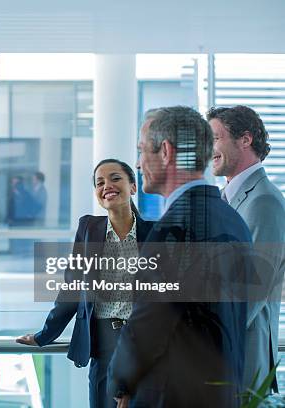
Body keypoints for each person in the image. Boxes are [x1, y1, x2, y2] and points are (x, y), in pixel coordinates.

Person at [108, 106, 250, 407]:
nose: (136, 163)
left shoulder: (173, 230)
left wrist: (119, 384)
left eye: (141, 150)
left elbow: (146, 327)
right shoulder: (233, 220)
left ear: (166, 152)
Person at [16, 159, 153, 408]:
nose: (107, 185)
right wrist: (44, 335)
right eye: (99, 182)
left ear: (133, 187)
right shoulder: (89, 228)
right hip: (103, 342)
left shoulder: (156, 234)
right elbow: (72, 288)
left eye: (115, 178)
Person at [208, 105, 285, 392]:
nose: (208, 148)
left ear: (245, 139)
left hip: (242, 365)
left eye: (215, 138)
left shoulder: (264, 201)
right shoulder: (223, 200)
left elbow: (248, 295)